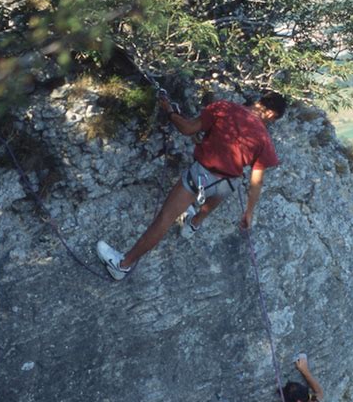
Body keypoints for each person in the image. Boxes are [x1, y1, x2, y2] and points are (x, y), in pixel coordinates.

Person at [96, 90, 286, 280]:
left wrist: (170, 112)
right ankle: (193, 225)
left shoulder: (225, 108)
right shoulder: (264, 140)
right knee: (212, 199)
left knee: (165, 218)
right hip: (227, 184)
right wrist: (249, 212)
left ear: (261, 102)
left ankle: (122, 265)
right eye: (272, 120)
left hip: (201, 177)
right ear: (270, 114)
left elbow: (187, 129)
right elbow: (257, 180)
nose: (269, 123)